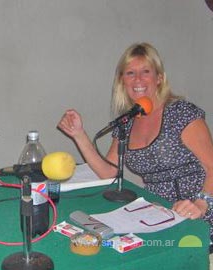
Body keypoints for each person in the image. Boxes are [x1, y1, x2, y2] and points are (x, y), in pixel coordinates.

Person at [58, 42, 213, 245]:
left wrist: (202, 204)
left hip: (198, 212)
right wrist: (79, 135)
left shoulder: (181, 113)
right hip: (159, 215)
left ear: (159, 78)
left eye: (145, 71)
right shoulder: (128, 121)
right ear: (122, 81)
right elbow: (109, 172)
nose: (138, 79)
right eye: (130, 73)